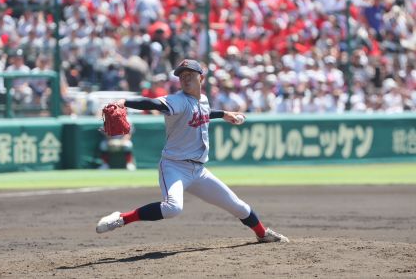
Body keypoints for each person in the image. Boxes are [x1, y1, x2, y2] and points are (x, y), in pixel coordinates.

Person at [96, 59, 289, 243]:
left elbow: (204, 112)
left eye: (190, 74)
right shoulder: (177, 100)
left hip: (199, 171)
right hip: (174, 167)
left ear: (201, 78)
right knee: (173, 208)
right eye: (182, 76)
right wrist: (126, 102)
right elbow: (153, 103)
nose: (185, 78)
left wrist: (223, 114)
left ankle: (263, 234)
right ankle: (121, 218)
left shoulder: (203, 100)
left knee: (239, 206)